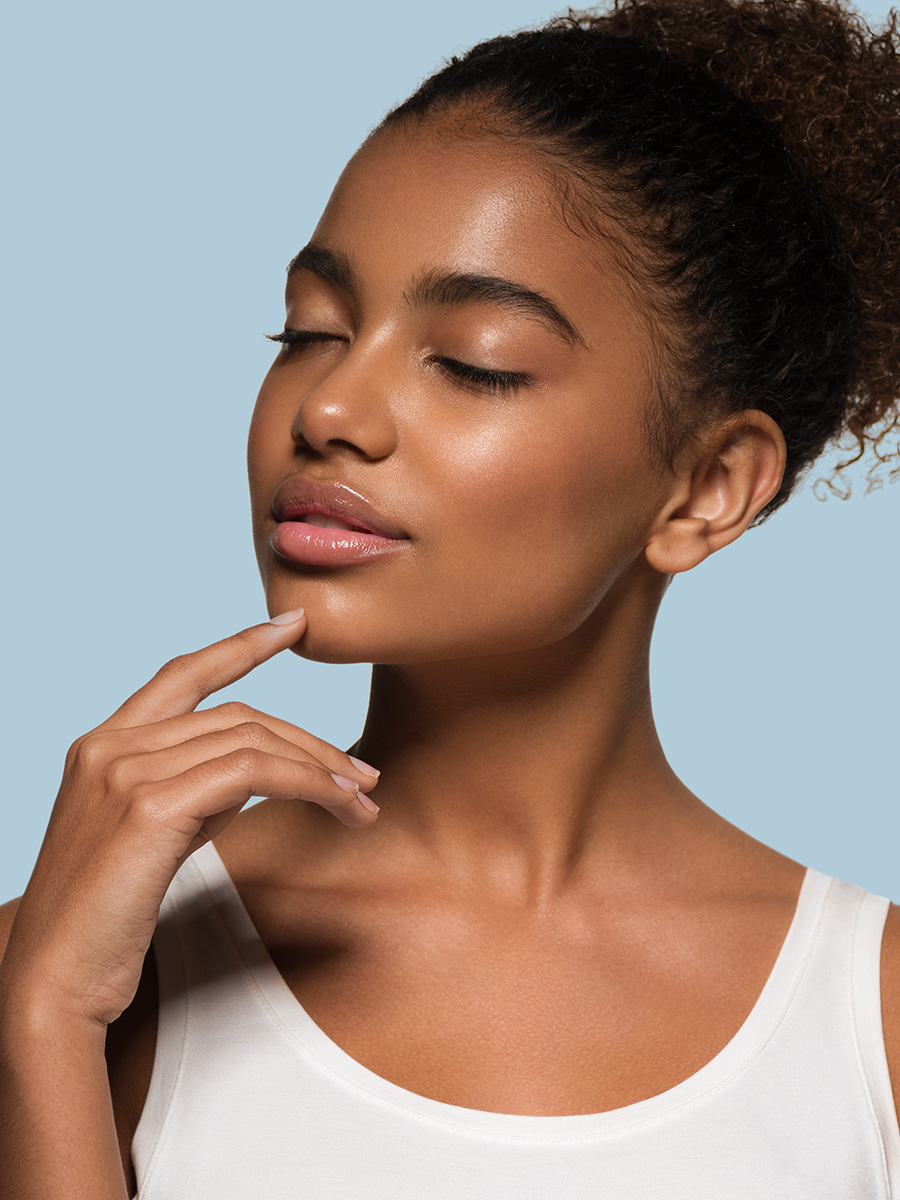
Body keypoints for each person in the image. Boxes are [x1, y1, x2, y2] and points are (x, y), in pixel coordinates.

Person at [1, 0, 898, 1194]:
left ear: (708, 488)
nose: (330, 410)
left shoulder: (871, 1020)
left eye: (474, 361)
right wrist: (48, 1018)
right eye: (310, 331)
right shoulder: (73, 969)